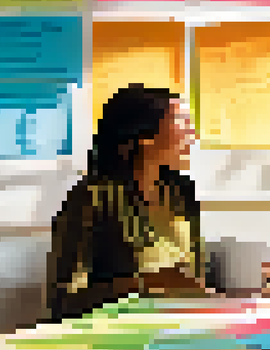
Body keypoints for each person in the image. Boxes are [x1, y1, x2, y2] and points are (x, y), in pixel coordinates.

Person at [47, 84, 205, 322]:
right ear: (145, 137)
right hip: (117, 336)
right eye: (181, 122)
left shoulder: (182, 194)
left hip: (182, 326)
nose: (193, 135)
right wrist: (142, 284)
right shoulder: (93, 199)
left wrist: (253, 278)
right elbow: (64, 302)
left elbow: (196, 281)